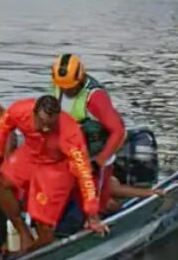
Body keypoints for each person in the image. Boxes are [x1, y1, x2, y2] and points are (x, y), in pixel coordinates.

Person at [0, 95, 107, 252]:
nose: (45, 129)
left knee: (44, 225)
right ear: (34, 113)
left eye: (50, 125)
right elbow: (2, 125)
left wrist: (92, 213)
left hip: (56, 165)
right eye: (42, 123)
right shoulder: (20, 110)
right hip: (31, 153)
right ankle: (23, 232)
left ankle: (30, 254)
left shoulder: (70, 133)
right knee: (1, 181)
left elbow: (84, 172)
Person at [51, 54, 126, 212]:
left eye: (70, 87)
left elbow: (118, 131)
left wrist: (99, 161)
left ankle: (110, 207)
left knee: (96, 205)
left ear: (81, 78)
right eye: (63, 87)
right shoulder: (58, 86)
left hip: (96, 155)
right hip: (71, 153)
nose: (66, 90)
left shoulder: (95, 97)